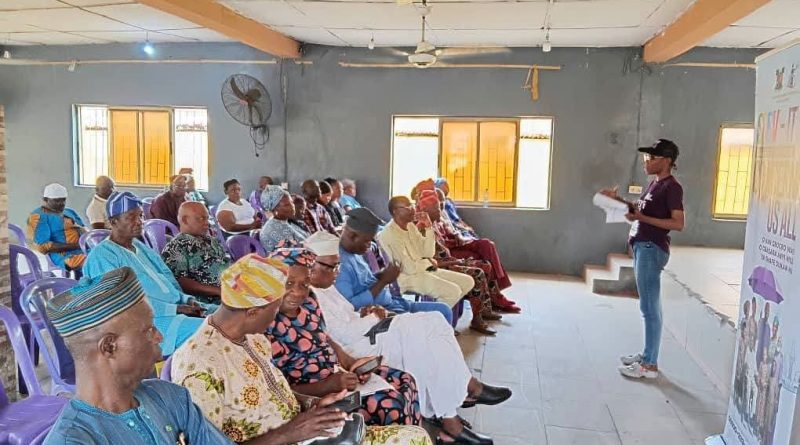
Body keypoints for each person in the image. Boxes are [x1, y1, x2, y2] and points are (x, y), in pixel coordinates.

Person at [171, 254, 431, 445]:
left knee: (414, 436)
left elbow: (275, 393)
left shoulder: (253, 339)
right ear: (252, 312)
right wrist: (292, 432)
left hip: (306, 434)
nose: (278, 318)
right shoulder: (200, 367)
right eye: (274, 310)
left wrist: (314, 405)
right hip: (290, 438)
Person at [305, 231, 511, 445]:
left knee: (434, 322)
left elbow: (349, 316)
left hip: (366, 333)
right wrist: (373, 316)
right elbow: (344, 334)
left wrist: (366, 312)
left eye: (338, 266)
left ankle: (456, 405)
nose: (337, 272)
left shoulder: (326, 288)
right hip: (356, 348)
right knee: (417, 332)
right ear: (311, 267)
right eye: (332, 267)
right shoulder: (310, 295)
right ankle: (460, 402)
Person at [43, 267, 233, 445]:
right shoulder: (74, 440)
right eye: (148, 330)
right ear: (109, 347)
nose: (159, 337)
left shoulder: (171, 397)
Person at [267, 247, 423, 427]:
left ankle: (413, 437)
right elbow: (281, 390)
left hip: (338, 376)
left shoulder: (309, 301)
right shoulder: (267, 324)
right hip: (315, 397)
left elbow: (325, 338)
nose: (298, 292)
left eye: (304, 283)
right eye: (288, 283)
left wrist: (350, 363)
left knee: (406, 380)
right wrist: (328, 385)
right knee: (390, 403)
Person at [83, 191, 216, 356]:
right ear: (113, 222)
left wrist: (186, 300)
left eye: (140, 216)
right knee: (216, 330)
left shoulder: (140, 247)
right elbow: (123, 304)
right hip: (146, 324)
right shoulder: (102, 256)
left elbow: (168, 279)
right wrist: (175, 309)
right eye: (131, 217)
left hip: (175, 310)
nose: (139, 222)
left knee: (233, 315)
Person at [603, 139, 685, 379]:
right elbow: (637, 216)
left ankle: (650, 365)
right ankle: (647, 354)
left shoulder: (672, 187)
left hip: (652, 248)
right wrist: (620, 203)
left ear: (667, 161)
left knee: (649, 307)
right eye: (646, 158)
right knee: (650, 306)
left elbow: (678, 223)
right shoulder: (653, 185)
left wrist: (642, 217)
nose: (647, 162)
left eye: (653, 158)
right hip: (642, 246)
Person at [337, 207, 454, 324]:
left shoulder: (354, 253)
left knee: (444, 311)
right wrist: (383, 281)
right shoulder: (339, 265)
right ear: (352, 236)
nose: (369, 246)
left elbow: (365, 282)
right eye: (367, 241)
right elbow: (350, 306)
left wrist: (382, 275)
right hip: (382, 312)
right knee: (435, 323)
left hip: (394, 302)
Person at [417, 190, 502, 335]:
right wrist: (459, 262)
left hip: (447, 263)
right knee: (477, 272)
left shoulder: (435, 225)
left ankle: (484, 310)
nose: (440, 211)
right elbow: (429, 261)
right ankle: (477, 319)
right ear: (426, 210)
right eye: (437, 209)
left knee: (485, 265)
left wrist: (459, 261)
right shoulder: (422, 229)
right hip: (435, 269)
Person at [433, 188, 520, 314]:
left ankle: (495, 293)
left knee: (486, 245)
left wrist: (460, 235)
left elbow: (453, 227)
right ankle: (495, 296)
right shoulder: (428, 217)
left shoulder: (442, 211)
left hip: (457, 241)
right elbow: (439, 243)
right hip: (448, 250)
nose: (441, 205)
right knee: (480, 258)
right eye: (438, 202)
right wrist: (455, 238)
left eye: (443, 201)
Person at [377, 196, 473, 309]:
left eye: (411, 205)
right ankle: (431, 322)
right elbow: (409, 268)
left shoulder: (410, 226)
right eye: (407, 207)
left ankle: (437, 316)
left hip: (424, 271)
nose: (413, 209)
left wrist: (428, 227)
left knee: (468, 281)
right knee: (453, 292)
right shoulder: (390, 234)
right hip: (406, 277)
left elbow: (428, 253)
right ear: (395, 211)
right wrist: (429, 263)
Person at [162, 202, 229, 304]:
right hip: (206, 302)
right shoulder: (176, 247)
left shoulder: (211, 241)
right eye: (201, 219)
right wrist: (218, 291)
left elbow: (224, 265)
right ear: (185, 220)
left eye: (207, 218)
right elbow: (180, 282)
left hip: (229, 292)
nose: (207, 223)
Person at [27, 183, 87, 272]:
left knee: (107, 256)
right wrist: (78, 246)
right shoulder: (39, 216)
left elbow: (83, 229)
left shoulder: (69, 211)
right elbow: (43, 247)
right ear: (45, 200)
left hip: (84, 249)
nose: (61, 204)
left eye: (63, 200)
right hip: (65, 255)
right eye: (56, 201)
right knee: (97, 262)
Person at [260, 185, 309, 253]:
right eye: (287, 205)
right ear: (275, 209)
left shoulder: (286, 222)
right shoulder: (273, 229)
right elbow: (293, 252)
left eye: (291, 202)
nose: (293, 206)